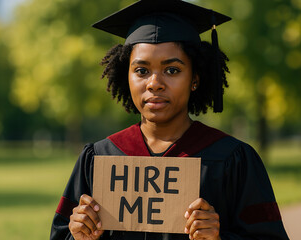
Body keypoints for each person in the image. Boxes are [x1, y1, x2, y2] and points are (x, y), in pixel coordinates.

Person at [50, 0, 289, 239]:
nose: (154, 83)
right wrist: (79, 237)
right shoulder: (99, 159)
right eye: (141, 71)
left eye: (172, 70)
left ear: (195, 78)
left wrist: (219, 238)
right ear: (127, 77)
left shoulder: (232, 159)